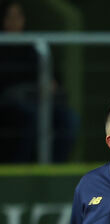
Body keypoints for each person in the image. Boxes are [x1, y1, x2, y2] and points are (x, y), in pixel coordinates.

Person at [0, 0, 77, 162]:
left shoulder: (34, 47)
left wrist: (51, 84)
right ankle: (21, 168)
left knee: (68, 119)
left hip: (40, 102)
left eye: (18, 16)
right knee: (30, 117)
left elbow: (55, 78)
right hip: (12, 106)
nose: (14, 22)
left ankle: (55, 169)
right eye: (9, 17)